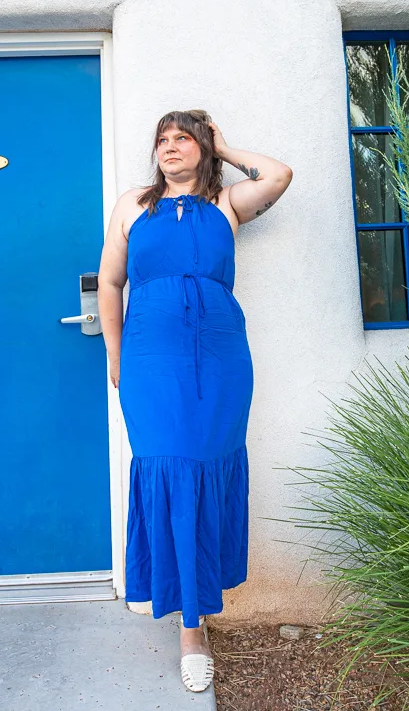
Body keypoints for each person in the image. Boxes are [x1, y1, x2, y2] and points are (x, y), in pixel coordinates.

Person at [97, 109, 293, 692]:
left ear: (202, 147)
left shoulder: (228, 205)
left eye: (184, 138)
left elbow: (279, 175)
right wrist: (114, 354)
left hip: (221, 354)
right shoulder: (134, 203)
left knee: (209, 464)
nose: (171, 147)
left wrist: (226, 148)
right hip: (151, 356)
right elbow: (111, 281)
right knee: (167, 464)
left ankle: (198, 609)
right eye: (162, 139)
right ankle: (189, 627)